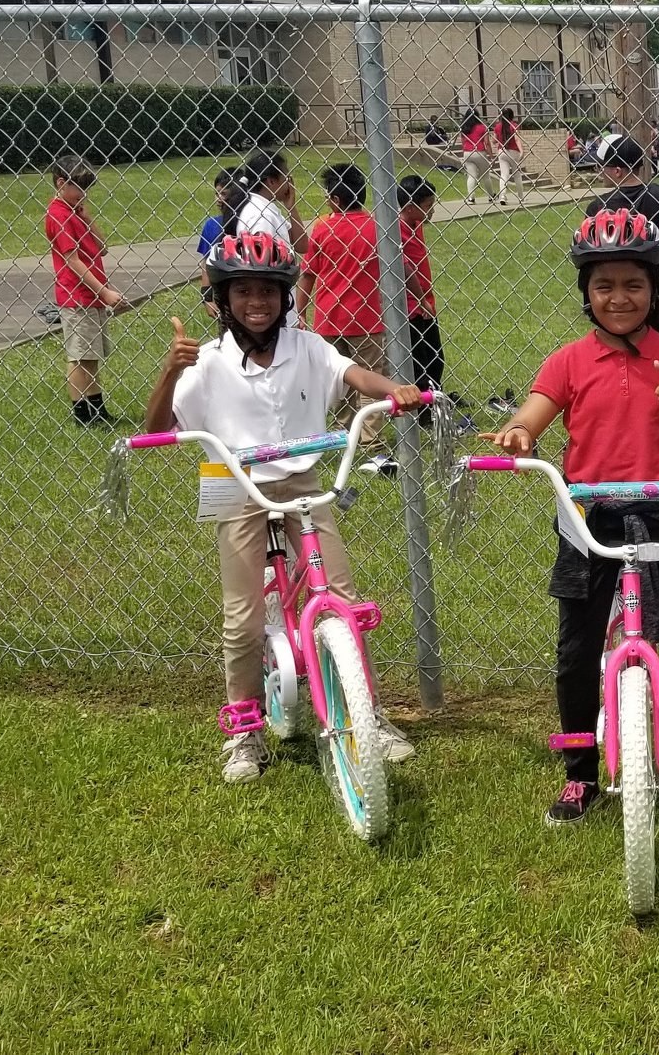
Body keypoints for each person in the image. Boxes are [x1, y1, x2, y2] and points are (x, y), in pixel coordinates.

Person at [481, 208, 659, 826]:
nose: (619, 298)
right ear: (586, 293)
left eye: (633, 284)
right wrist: (521, 433)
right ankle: (579, 775)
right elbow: (535, 411)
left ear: (655, 288)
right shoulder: (569, 361)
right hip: (589, 514)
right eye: (603, 286)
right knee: (576, 649)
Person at [143, 231, 423, 783]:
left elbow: (350, 374)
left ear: (285, 296)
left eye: (268, 291)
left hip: (302, 482)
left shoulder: (307, 345)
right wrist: (171, 370)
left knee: (340, 597)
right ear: (222, 300)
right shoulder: (205, 362)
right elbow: (154, 428)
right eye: (243, 291)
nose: (257, 303)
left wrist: (393, 389)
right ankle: (245, 732)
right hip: (236, 483)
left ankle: (370, 712)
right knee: (242, 616)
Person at [297, 164, 393, 474]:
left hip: (330, 316)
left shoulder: (324, 228)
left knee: (337, 379)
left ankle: (343, 433)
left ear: (336, 199)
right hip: (368, 317)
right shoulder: (377, 225)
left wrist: (300, 310)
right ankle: (370, 439)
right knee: (370, 376)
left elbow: (308, 274)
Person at [43, 156, 130, 427]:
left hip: (90, 296)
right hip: (77, 296)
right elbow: (73, 260)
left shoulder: (74, 213)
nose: (84, 194)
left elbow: (102, 247)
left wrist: (88, 218)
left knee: (91, 356)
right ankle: (83, 415)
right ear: (61, 183)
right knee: (80, 357)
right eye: (80, 188)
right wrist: (104, 292)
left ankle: (97, 410)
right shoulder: (58, 214)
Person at [397, 175, 449, 399]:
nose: (432, 211)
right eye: (428, 206)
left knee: (436, 359)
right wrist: (421, 301)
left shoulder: (415, 224)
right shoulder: (396, 230)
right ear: (409, 208)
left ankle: (435, 400)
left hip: (426, 303)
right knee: (419, 363)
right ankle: (423, 408)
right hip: (411, 308)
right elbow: (405, 270)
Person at [583, 132, 659, 228]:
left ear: (617, 171)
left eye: (600, 166)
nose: (599, 171)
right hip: (657, 255)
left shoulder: (598, 207)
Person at [198, 168, 245, 320]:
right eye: (216, 193)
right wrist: (207, 297)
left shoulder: (248, 223)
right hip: (222, 291)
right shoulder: (211, 225)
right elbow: (206, 262)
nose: (218, 199)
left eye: (224, 194)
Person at [233, 150, 302, 253]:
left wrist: (292, 208)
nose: (290, 184)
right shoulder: (263, 217)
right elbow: (263, 265)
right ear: (271, 181)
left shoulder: (264, 208)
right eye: (286, 178)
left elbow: (301, 246)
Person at [460, 109, 492, 205]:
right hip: (479, 152)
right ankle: (491, 196)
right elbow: (487, 142)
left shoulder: (464, 128)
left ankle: (471, 198)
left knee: (471, 176)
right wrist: (491, 155)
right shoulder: (483, 127)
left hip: (467, 152)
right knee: (485, 175)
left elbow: (462, 142)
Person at [493, 107, 522, 205]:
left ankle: (502, 196)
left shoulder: (498, 126)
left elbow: (494, 140)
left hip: (502, 151)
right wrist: (522, 151)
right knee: (517, 175)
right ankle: (521, 197)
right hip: (513, 152)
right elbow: (517, 139)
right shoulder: (514, 126)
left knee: (504, 175)